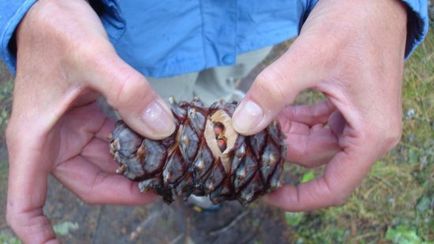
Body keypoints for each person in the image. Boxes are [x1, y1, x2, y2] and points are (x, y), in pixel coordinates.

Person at [0, 0, 429, 242]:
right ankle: (204, 169)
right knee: (162, 100)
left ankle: (216, 153)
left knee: (226, 82)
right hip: (140, 36)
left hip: (258, 22)